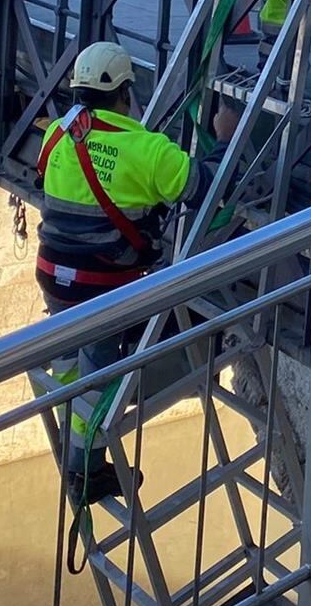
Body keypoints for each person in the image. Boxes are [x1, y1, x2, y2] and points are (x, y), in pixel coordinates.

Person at [35, 41, 202, 503]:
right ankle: (85, 468)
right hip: (106, 288)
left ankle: (72, 424)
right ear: (126, 92)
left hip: (53, 276)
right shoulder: (148, 151)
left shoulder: (56, 134)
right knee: (100, 374)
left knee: (70, 359)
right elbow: (198, 186)